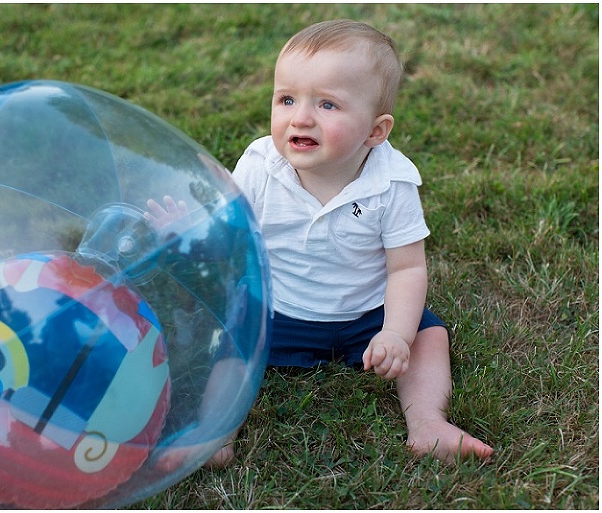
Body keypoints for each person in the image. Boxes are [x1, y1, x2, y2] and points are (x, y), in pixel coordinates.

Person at [149, 19, 493, 467]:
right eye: (287, 99)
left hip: (366, 315)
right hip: (278, 311)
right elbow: (231, 234)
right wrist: (188, 229)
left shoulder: (391, 184)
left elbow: (406, 268)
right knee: (232, 341)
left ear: (375, 131)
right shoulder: (260, 166)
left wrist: (395, 332)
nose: (301, 117)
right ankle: (217, 434)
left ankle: (428, 424)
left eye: (327, 104)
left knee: (428, 336)